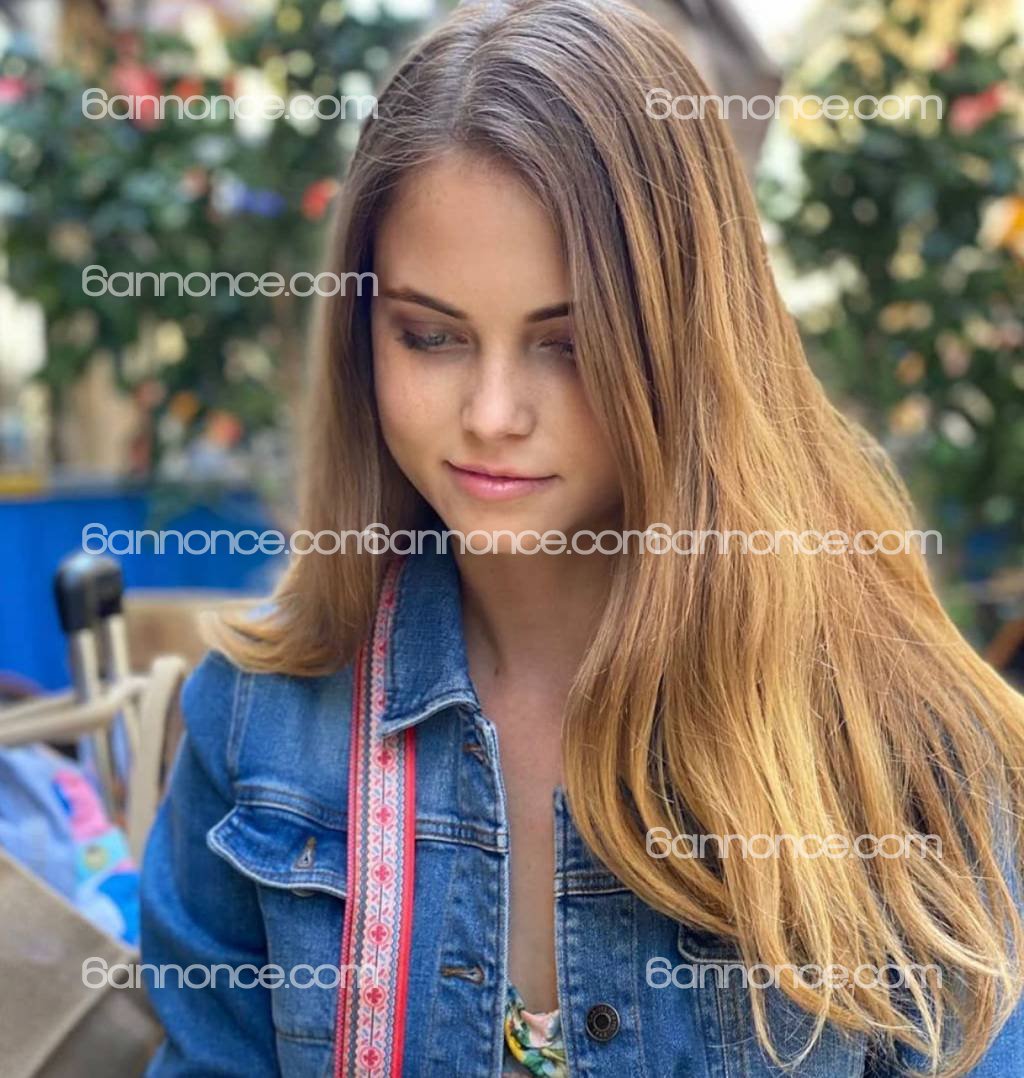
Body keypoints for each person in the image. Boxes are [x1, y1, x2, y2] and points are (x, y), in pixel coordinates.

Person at [138, 0, 1024, 1074]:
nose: (492, 414)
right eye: (430, 336)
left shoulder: (890, 735)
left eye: (568, 343)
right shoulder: (258, 723)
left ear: (688, 339)